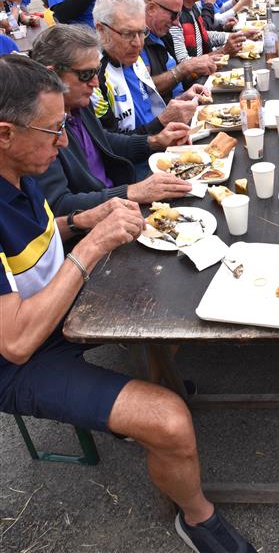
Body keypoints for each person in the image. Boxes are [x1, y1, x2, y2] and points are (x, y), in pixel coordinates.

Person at [0, 54, 257, 553]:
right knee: (169, 420)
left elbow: (34, 243)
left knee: (175, 298)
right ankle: (197, 517)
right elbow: (16, 342)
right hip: (20, 359)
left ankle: (148, 383)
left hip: (54, 314)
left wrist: (82, 221)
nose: (64, 141)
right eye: (54, 130)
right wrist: (92, 247)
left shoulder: (21, 171)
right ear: (5, 134)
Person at [30, 24, 192, 214]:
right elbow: (59, 206)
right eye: (86, 74)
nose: (95, 82)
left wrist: (154, 141)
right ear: (52, 75)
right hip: (102, 219)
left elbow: (103, 141)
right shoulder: (36, 128)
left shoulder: (77, 101)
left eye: (96, 71)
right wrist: (131, 192)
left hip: (119, 197)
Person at [90, 0, 199, 135]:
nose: (138, 43)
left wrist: (181, 100)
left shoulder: (133, 57)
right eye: (127, 34)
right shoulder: (93, 78)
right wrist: (163, 122)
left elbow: (149, 111)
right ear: (101, 30)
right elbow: (112, 144)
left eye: (142, 32)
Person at [141, 0, 217, 98]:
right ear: (151, 9)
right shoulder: (137, 42)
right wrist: (185, 68)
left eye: (179, 16)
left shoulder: (163, 35)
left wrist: (197, 68)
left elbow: (178, 77)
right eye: (174, 15)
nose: (176, 23)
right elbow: (144, 89)